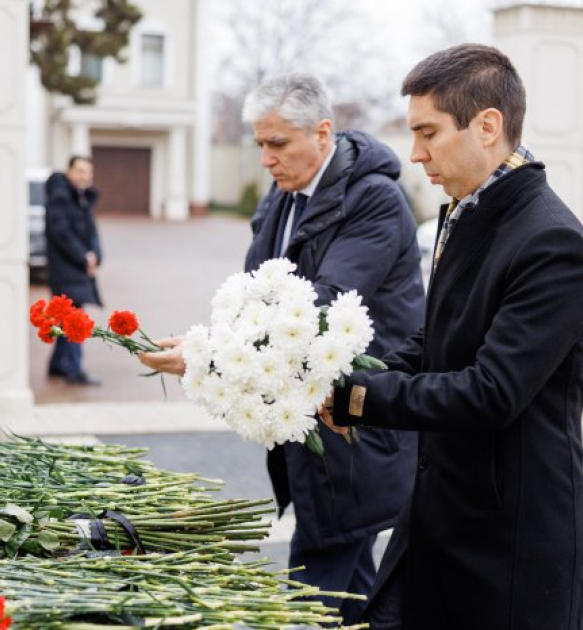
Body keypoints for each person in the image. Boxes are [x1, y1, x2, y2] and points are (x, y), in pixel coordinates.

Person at [319, 44, 583, 629]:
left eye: (428, 133)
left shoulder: (553, 243)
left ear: (488, 126)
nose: (415, 154)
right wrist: (348, 378)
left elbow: (491, 392)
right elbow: (436, 340)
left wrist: (359, 400)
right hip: (442, 520)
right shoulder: (466, 210)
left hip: (511, 544)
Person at [139, 73, 426, 624]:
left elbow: (319, 308)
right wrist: (209, 344)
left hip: (355, 427)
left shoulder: (375, 202)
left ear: (322, 133)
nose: (266, 159)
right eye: (259, 144)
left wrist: (207, 358)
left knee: (308, 593)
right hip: (310, 421)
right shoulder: (284, 196)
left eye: (278, 144)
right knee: (354, 589)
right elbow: (255, 298)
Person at [44, 155, 103, 386]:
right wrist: (84, 256)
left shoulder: (83, 198)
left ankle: (58, 365)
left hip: (76, 269)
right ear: (68, 171)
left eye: (88, 172)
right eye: (80, 171)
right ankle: (73, 369)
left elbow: (92, 233)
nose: (84, 176)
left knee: (66, 319)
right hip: (65, 271)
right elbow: (60, 233)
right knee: (73, 321)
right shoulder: (60, 197)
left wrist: (96, 255)